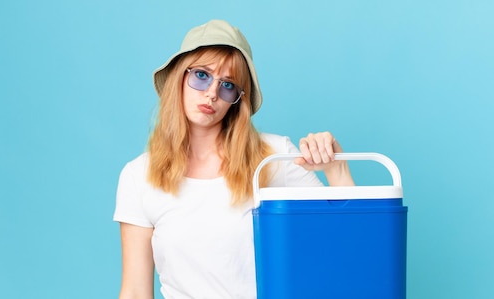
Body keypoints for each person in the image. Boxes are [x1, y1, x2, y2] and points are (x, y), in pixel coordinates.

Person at [113, 19, 354, 299]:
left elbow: (348, 242)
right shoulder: (138, 175)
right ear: (179, 76)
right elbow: (135, 291)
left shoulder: (273, 157)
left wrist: (336, 169)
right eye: (201, 75)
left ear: (238, 99)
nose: (212, 93)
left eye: (228, 85)